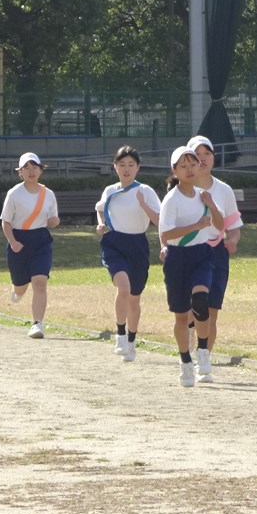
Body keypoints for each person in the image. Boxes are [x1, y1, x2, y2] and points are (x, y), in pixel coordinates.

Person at [159, 146, 224, 388]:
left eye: (192, 164)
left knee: (201, 301)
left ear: (199, 167)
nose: (189, 170)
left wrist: (213, 207)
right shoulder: (171, 199)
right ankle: (185, 361)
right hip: (177, 258)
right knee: (181, 315)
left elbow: (218, 227)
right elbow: (166, 234)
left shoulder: (203, 195)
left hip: (201, 255)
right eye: (183, 166)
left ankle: (203, 351)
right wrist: (195, 225)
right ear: (174, 171)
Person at [183, 134, 243, 379]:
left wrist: (232, 241)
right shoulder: (182, 190)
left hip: (216, 252)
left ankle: (204, 359)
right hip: (189, 251)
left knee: (211, 309)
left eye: (207, 153)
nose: (203, 159)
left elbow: (234, 224)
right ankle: (187, 349)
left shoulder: (223, 190)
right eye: (197, 155)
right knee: (190, 309)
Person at [95, 146, 161, 363]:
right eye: (121, 164)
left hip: (137, 245)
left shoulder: (146, 191)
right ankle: (120, 335)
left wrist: (143, 204)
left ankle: (131, 339)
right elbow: (101, 208)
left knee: (134, 297)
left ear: (138, 167)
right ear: (115, 167)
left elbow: (160, 221)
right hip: (114, 243)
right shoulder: (110, 190)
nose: (126, 169)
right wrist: (101, 224)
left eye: (131, 165)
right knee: (123, 288)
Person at [1, 152, 60, 339]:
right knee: (21, 286)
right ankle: (17, 288)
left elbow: (52, 219)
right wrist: (12, 242)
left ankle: (37, 324)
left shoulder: (48, 194)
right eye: (26, 167)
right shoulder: (14, 194)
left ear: (41, 170)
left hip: (41, 240)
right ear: (20, 172)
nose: (31, 171)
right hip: (19, 240)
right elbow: (6, 221)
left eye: (34, 167)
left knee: (40, 282)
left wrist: (54, 221)